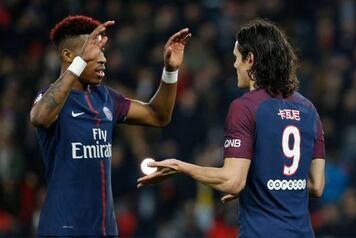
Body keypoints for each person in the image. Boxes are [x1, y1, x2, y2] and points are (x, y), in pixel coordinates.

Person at [137, 19, 326, 238]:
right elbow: (316, 184)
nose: (235, 65)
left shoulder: (245, 107)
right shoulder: (308, 109)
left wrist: (181, 167)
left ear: (251, 59)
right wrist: (260, 186)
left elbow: (232, 181)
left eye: (237, 58)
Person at [30, 15, 190, 236]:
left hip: (105, 230)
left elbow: (158, 116)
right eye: (94, 51)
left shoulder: (106, 98)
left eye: (103, 51)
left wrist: (170, 71)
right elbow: (39, 118)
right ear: (68, 55)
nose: (103, 58)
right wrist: (79, 64)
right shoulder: (49, 98)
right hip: (63, 229)